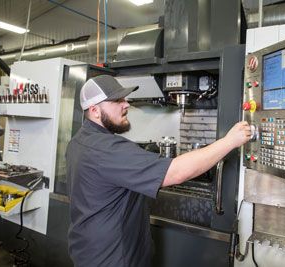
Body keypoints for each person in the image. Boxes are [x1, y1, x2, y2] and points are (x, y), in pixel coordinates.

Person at [66, 75, 251, 267]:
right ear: (95, 111)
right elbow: (177, 172)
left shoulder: (78, 142)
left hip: (87, 252)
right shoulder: (106, 149)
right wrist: (230, 141)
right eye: (117, 100)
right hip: (114, 258)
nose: (126, 104)